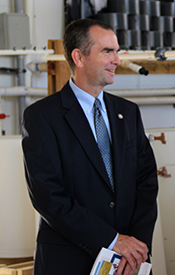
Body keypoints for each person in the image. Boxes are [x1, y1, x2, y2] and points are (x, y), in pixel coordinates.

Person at [22, 18, 158, 275]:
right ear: (79, 57)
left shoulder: (128, 113)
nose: (117, 60)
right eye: (107, 51)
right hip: (68, 261)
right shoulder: (42, 117)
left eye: (117, 51)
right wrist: (112, 240)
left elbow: (146, 183)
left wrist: (136, 250)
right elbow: (49, 196)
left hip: (128, 264)